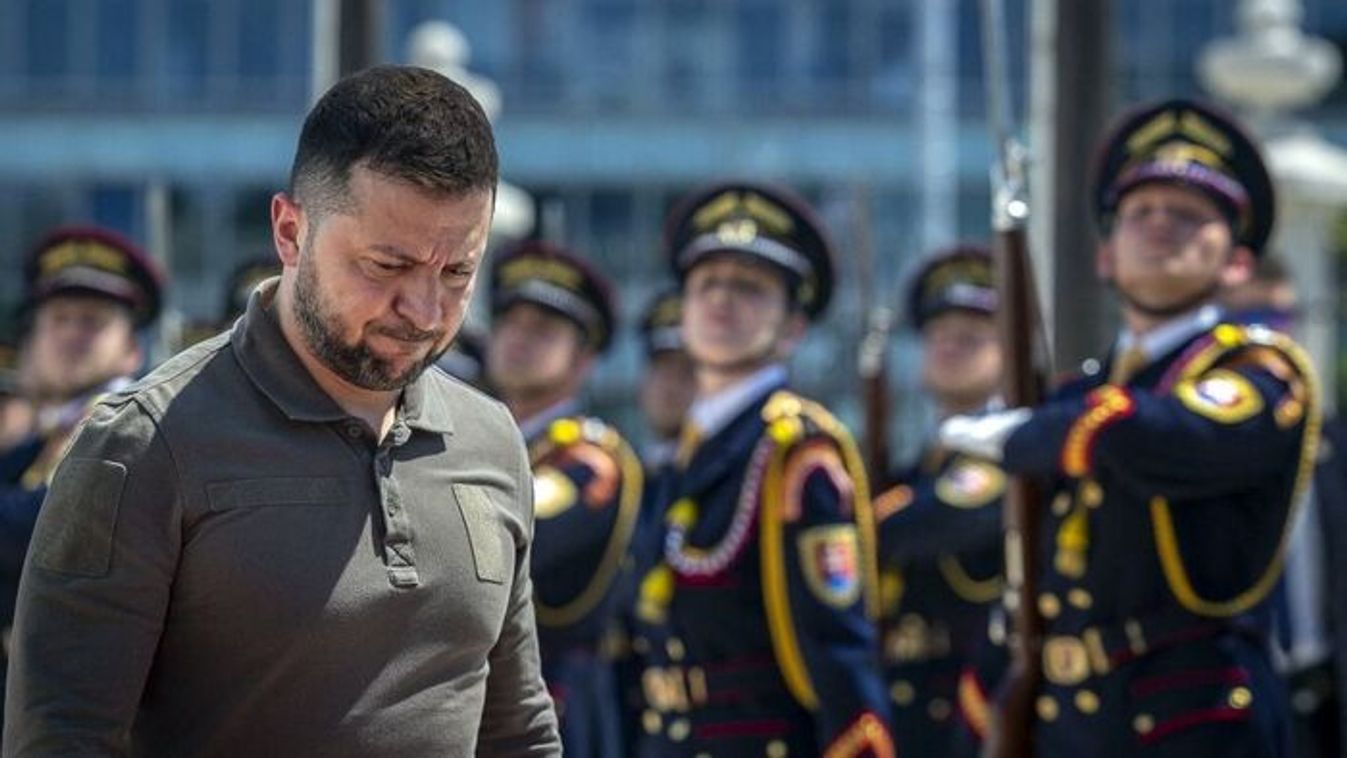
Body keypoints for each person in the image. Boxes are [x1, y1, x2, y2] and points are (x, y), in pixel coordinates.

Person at [4, 65, 560, 756]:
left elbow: (518, 731)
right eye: (386, 266)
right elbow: (63, 736)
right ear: (290, 231)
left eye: (456, 273)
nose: (424, 311)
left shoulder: (492, 440)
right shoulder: (145, 444)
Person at [940, 98, 1318, 757]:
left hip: (1192, 720)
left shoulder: (1258, 371)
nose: (1160, 226)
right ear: (1105, 256)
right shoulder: (1073, 396)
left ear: (1237, 262)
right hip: (1067, 723)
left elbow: (1153, 435)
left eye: (1189, 215)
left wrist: (1024, 435)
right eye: (1140, 213)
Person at [636, 181, 894, 756]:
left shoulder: (793, 454)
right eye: (706, 283)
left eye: (749, 288)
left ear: (792, 327)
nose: (721, 299)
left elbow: (838, 649)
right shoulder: (689, 451)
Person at [484, 240, 643, 758]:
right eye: (511, 322)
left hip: (556, 707)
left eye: (543, 330)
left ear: (584, 358)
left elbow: (510, 532)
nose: (519, 339)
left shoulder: (591, 460)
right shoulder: (483, 443)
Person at [0, 225, 164, 715]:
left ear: (132, 350)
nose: (72, 333)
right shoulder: (42, 441)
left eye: (93, 321)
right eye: (59, 318)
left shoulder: (129, 428)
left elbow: (41, 525)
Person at [872, 245, 1007, 758]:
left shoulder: (1002, 459)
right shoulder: (920, 466)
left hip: (971, 711)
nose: (949, 348)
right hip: (905, 714)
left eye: (971, 337)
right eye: (938, 336)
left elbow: (930, 523)